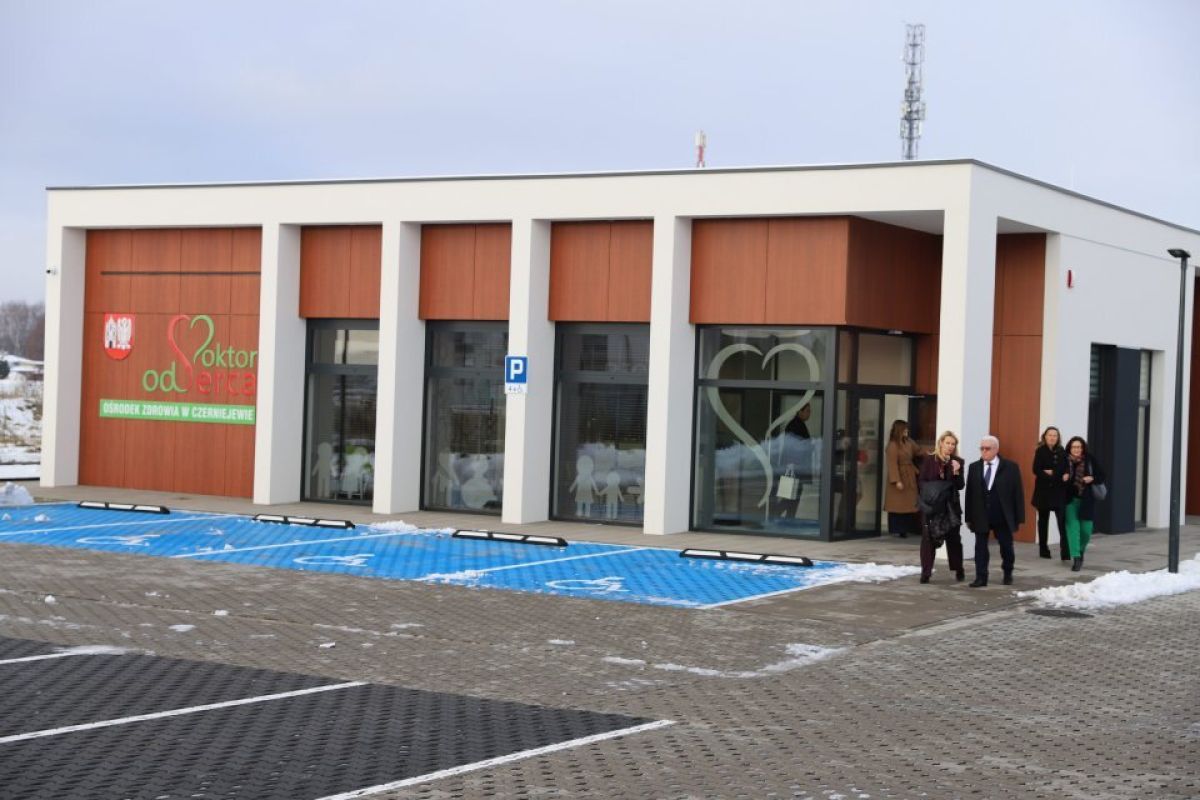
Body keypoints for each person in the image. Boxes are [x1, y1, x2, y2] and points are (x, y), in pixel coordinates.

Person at [964, 435, 1026, 587]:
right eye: (982, 448)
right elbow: (969, 494)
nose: (984, 451)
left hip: (1001, 514)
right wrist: (968, 517)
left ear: (996, 449)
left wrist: (1019, 516)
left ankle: (1008, 572)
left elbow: (1017, 493)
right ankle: (981, 577)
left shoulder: (1010, 467)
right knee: (980, 547)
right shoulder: (974, 467)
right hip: (980, 514)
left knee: (1006, 546)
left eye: (987, 448)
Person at [916, 430, 965, 583]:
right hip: (932, 506)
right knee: (928, 539)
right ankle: (926, 572)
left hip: (950, 507)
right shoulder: (929, 460)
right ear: (941, 443)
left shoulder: (957, 461)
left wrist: (956, 472)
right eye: (948, 443)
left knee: (954, 539)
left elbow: (960, 485)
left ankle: (958, 569)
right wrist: (933, 492)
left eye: (953, 444)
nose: (950, 446)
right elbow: (921, 481)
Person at [1064, 436, 1106, 572]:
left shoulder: (1090, 459)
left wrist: (1092, 478)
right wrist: (1062, 477)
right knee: (1073, 528)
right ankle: (1076, 558)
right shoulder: (1064, 460)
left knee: (1086, 530)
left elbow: (1102, 475)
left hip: (1086, 501)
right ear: (1070, 448)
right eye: (1074, 447)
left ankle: (1081, 550)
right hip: (1069, 501)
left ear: (1083, 448)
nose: (1076, 449)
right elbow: (1057, 476)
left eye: (1079, 447)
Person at [1031, 426, 1071, 560]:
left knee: (1062, 521)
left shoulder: (1062, 451)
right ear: (1045, 436)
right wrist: (1052, 475)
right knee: (1043, 521)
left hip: (1059, 491)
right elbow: (1036, 469)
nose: (1052, 437)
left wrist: (1065, 473)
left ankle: (1065, 551)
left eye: (1055, 435)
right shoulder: (1040, 451)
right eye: (1050, 435)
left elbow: (1066, 467)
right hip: (1043, 492)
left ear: (1058, 438)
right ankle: (1043, 549)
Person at [884, 420, 923, 537]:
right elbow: (892, 464)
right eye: (905, 429)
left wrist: (934, 452)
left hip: (909, 475)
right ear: (899, 430)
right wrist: (896, 480)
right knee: (897, 505)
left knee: (909, 504)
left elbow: (919, 451)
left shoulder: (908, 442)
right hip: (899, 476)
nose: (907, 430)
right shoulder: (892, 445)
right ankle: (898, 529)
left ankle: (907, 529)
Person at [774, 403, 813, 520]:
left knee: (792, 497)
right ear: (800, 412)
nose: (809, 413)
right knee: (790, 497)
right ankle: (775, 515)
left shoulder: (797, 424)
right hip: (793, 468)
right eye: (807, 411)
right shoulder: (796, 425)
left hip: (793, 467)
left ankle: (788, 519)